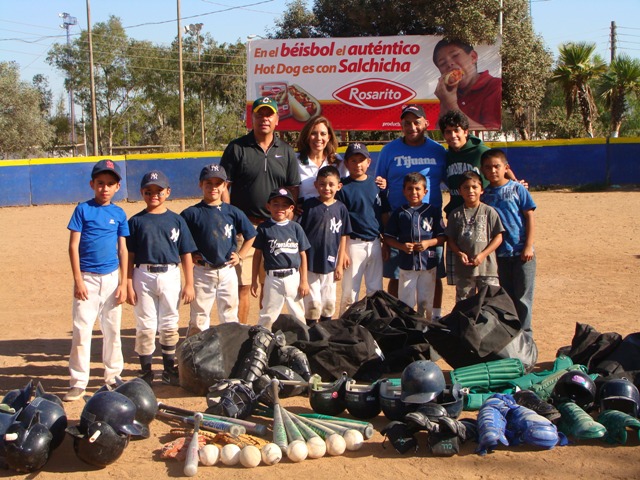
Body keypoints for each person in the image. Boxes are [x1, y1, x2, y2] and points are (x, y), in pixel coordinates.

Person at [220, 96, 300, 324]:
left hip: (274, 228)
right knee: (243, 286)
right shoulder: (237, 147)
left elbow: (293, 188)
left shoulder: (285, 151)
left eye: (269, 114)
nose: (264, 119)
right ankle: (241, 335)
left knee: (270, 285)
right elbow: (225, 184)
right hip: (244, 227)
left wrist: (285, 222)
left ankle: (265, 337)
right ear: (252, 118)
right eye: (259, 114)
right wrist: (230, 215)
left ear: (277, 119)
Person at [64, 159, 129, 402]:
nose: (104, 188)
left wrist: (123, 282)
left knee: (112, 330)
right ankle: (79, 381)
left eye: (110, 184)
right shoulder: (83, 209)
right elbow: (73, 246)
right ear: (92, 184)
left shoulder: (119, 213)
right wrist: (78, 280)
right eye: (100, 183)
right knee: (82, 330)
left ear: (117, 187)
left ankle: (113, 376)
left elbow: (123, 250)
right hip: (88, 279)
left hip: (111, 279)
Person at [126, 170, 197, 386]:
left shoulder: (176, 220)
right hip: (143, 273)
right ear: (142, 192)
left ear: (168, 192)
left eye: (159, 191)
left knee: (169, 323)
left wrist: (190, 283)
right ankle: (146, 371)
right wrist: (128, 282)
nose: (154, 195)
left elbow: (186, 253)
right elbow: (129, 255)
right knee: (145, 325)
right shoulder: (136, 221)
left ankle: (168, 369)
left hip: (170, 274)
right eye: (149, 191)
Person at [376, 104, 447, 318]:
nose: (412, 126)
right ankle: (395, 318)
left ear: (426, 123)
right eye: (407, 123)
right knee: (397, 276)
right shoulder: (389, 150)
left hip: (430, 226)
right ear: (401, 125)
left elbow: (454, 181)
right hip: (399, 224)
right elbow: (380, 187)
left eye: (417, 122)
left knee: (433, 275)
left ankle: (434, 317)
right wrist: (384, 223)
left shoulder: (437, 150)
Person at [440, 109, 524, 288]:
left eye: (457, 130)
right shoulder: (446, 156)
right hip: (458, 217)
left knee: (486, 272)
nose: (453, 135)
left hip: (482, 217)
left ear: (465, 131)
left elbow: (500, 165)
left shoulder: (480, 150)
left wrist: (516, 184)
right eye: (448, 131)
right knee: (465, 280)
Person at [180, 164, 256, 335]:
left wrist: (240, 255)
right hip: (202, 271)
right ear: (200, 185)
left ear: (224, 186)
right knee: (199, 317)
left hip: (227, 270)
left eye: (217, 183)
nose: (213, 187)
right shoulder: (191, 213)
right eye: (208, 183)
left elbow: (251, 234)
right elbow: (179, 240)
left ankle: (230, 353)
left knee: (229, 315)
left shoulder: (232, 212)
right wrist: (190, 255)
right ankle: (197, 355)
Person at [481, 149, 537, 333]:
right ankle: (512, 334)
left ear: (506, 168)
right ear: (483, 171)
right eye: (488, 168)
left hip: (522, 252)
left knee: (523, 297)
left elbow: (529, 215)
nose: (493, 171)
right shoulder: (485, 195)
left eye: (497, 166)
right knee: (507, 297)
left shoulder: (517, 188)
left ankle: (526, 335)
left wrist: (528, 246)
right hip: (500, 255)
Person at [337, 143, 391, 314]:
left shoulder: (377, 185)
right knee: (349, 292)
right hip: (353, 244)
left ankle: (375, 325)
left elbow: (383, 214)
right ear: (346, 163)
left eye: (361, 160)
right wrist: (343, 250)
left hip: (374, 242)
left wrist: (386, 243)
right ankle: (345, 327)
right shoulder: (342, 187)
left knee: (375, 290)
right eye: (353, 160)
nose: (358, 164)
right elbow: (340, 222)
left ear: (369, 162)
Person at [384, 172, 445, 320]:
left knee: (425, 301)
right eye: (410, 189)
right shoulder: (400, 213)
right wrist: (402, 246)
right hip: (407, 264)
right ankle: (408, 330)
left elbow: (442, 237)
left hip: (428, 264)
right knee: (406, 302)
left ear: (425, 191)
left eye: (418, 189)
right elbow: (388, 237)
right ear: (404, 191)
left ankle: (426, 329)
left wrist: (428, 243)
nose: (414, 192)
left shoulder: (433, 211)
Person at [298, 165, 352, 325]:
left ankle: (326, 334)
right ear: (316, 185)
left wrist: (340, 264)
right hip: (311, 263)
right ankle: (312, 334)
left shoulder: (341, 208)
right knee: (313, 304)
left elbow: (343, 236)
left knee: (328, 304)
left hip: (331, 263)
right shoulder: (309, 206)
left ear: (339, 186)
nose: (326, 188)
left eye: (331, 184)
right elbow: (300, 235)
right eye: (322, 184)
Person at [251, 188, 310, 330]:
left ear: (291, 208)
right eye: (276, 204)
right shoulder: (264, 228)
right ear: (268, 206)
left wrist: (304, 281)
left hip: (293, 277)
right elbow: (257, 255)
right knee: (268, 315)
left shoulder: (296, 228)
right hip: (273, 278)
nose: (280, 208)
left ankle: (303, 343)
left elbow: (302, 254)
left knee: (298, 314)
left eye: (284, 205)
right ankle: (262, 344)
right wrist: (254, 280)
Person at [445, 171, 504, 302]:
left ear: (482, 190)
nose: (470, 191)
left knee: (490, 304)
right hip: (464, 270)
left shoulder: (489, 212)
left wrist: (483, 255)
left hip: (487, 268)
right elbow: (450, 239)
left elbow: (498, 237)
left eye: (474, 187)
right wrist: (459, 253)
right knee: (465, 304)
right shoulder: (455, 214)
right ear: (460, 191)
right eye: (466, 187)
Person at [432, 39, 502, 130]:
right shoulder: (449, 94)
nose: (449, 64)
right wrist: (444, 103)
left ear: (473, 57)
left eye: (455, 55)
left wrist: (451, 105)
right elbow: (441, 134)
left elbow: (491, 134)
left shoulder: (496, 86)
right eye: (442, 63)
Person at [296, 116, 347, 205]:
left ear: (329, 137)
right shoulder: (295, 160)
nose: (318, 138)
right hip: (302, 217)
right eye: (313, 133)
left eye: (323, 134)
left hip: (330, 216)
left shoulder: (337, 161)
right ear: (307, 136)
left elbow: (349, 187)